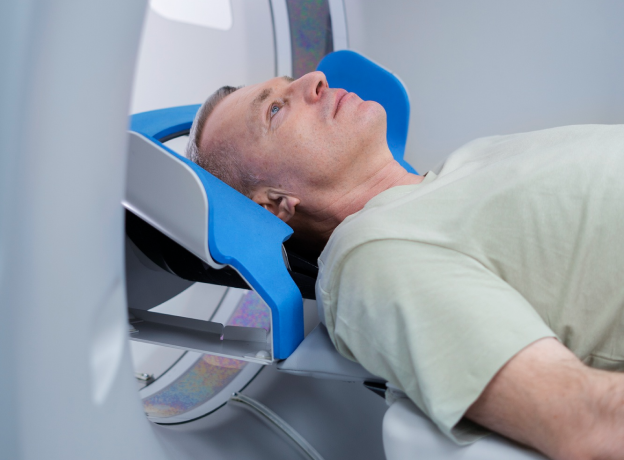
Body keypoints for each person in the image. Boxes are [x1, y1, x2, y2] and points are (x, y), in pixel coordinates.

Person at [186, 71, 624, 460]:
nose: (314, 79)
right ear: (275, 203)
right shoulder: (370, 253)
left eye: (289, 81)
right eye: (276, 110)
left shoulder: (464, 162)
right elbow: (589, 423)